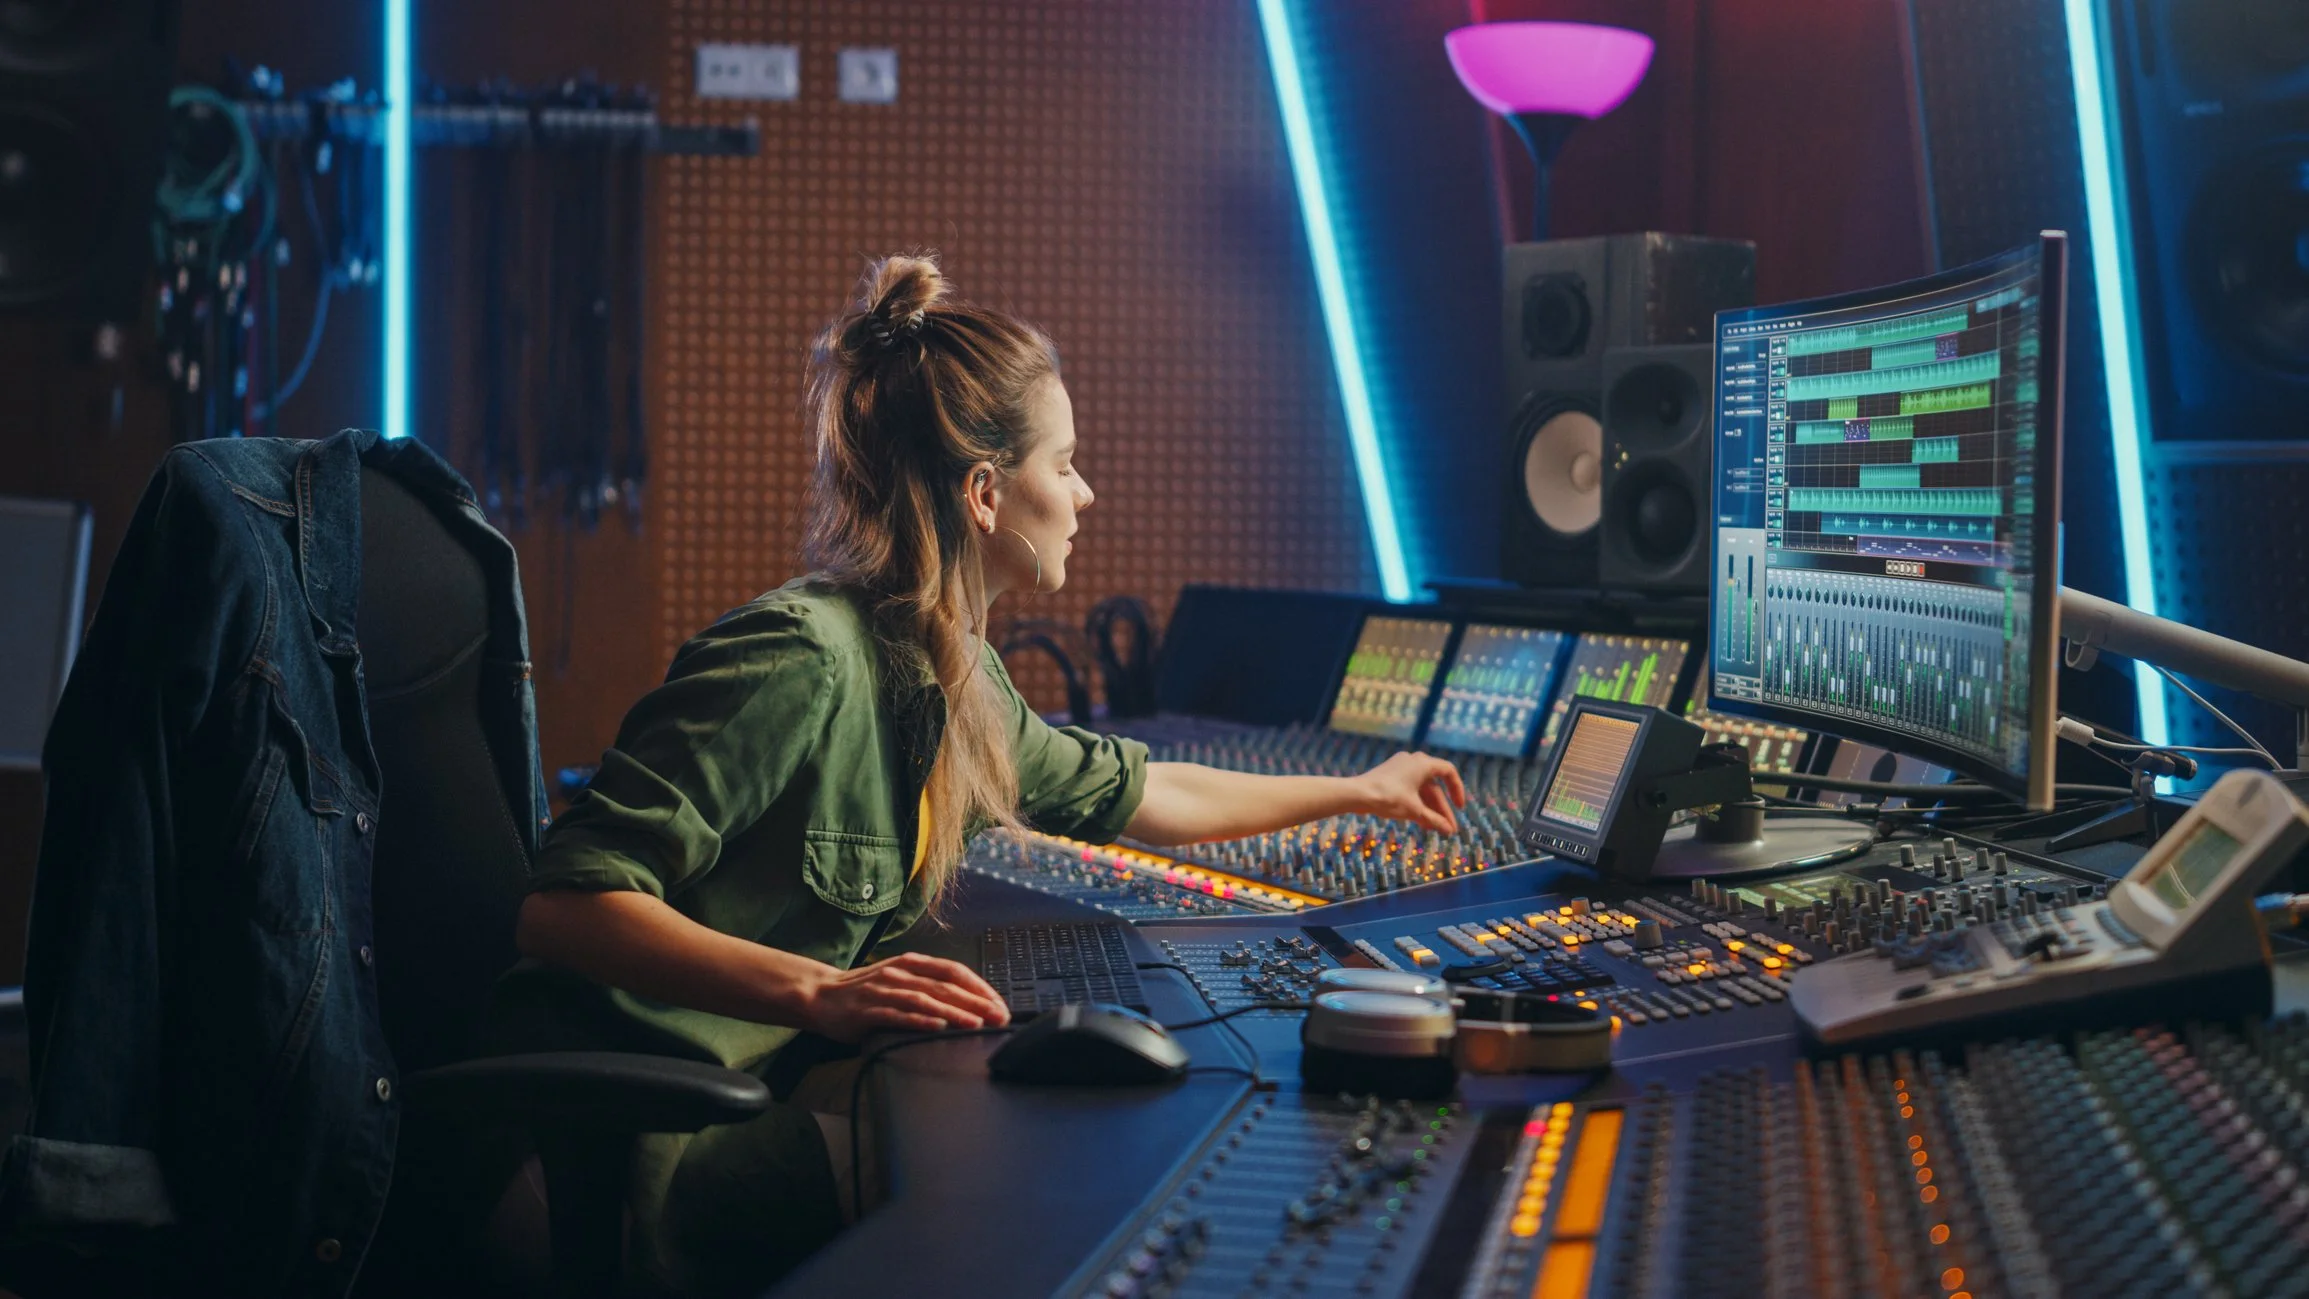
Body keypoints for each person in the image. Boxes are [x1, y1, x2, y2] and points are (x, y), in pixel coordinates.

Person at [499, 252, 1466, 1296]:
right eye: (1066, 465)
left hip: (744, 1087)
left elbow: (1144, 792)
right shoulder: (799, 659)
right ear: (987, 494)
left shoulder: (960, 678)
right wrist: (822, 993)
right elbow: (565, 908)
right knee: (1005, 1192)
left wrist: (1363, 788)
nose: (1084, 492)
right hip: (630, 1140)